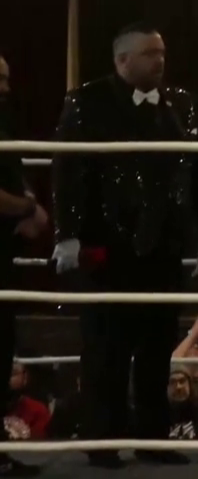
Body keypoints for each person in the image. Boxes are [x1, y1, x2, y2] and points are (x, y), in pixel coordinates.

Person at [50, 24, 198, 469]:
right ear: (122, 60)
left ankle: (153, 439)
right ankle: (102, 441)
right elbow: (68, 169)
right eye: (149, 53)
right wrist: (67, 233)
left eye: (161, 52)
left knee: (157, 347)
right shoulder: (87, 101)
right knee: (105, 349)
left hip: (164, 243)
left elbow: (197, 165)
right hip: (107, 243)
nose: (159, 61)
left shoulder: (180, 103)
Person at [0, 55, 47, 477]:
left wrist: (28, 205)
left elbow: (16, 180)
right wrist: (26, 207)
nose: (6, 88)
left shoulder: (4, 128)